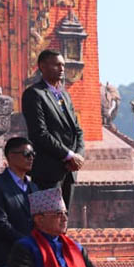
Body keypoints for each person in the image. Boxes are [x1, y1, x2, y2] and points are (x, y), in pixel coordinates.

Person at [22, 49, 85, 209]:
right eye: (56, 65)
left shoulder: (65, 95)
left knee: (63, 222)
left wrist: (78, 155)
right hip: (48, 172)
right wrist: (67, 155)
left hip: (69, 171)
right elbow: (39, 133)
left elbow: (77, 130)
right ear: (42, 66)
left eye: (63, 65)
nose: (62, 69)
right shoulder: (34, 94)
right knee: (48, 220)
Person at [0, 137, 40, 267]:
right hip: (5, 259)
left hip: (32, 262)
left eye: (33, 154)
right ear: (11, 156)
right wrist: (27, 242)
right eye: (27, 154)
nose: (32, 158)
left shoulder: (34, 188)